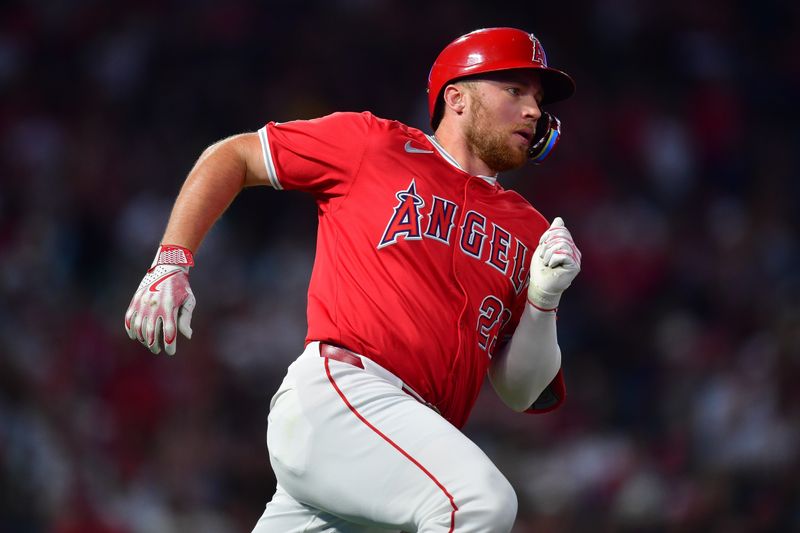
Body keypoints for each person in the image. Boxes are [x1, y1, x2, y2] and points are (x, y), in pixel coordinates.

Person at [124, 27, 581, 533]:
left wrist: (543, 299)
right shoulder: (374, 144)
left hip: (397, 452)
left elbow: (520, 392)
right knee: (480, 504)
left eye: (538, 99)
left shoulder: (531, 229)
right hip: (345, 396)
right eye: (514, 90)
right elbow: (235, 155)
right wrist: (172, 259)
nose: (534, 111)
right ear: (456, 97)